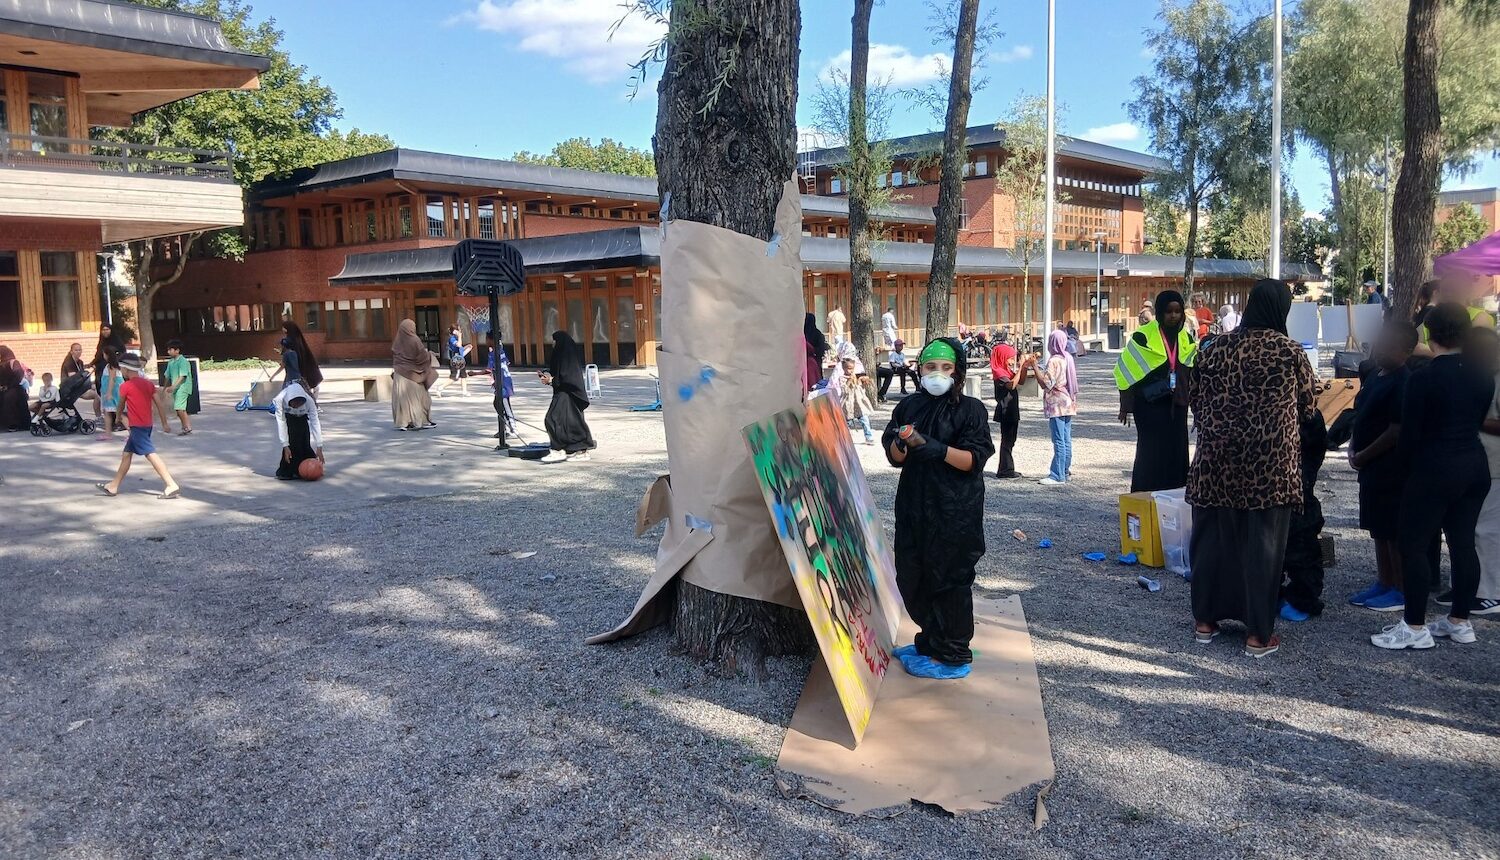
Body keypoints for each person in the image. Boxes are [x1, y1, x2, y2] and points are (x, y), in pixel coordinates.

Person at [1187, 279, 1315, 659]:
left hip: (1215, 462)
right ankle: (1258, 635)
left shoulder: (1213, 349)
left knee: (1211, 542)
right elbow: (1308, 408)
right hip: (1269, 467)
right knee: (1263, 547)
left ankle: (1205, 622)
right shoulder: (1288, 352)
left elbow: (1194, 401)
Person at [1372, 303, 1495, 650]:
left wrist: (1404, 470)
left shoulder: (1424, 376)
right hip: (1473, 463)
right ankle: (1460, 620)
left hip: (1434, 465)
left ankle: (1413, 625)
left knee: (1414, 544)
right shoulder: (1482, 375)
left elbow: (1410, 434)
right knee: (1462, 543)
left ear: (1429, 333)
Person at [882, 338, 995, 680]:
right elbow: (893, 456)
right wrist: (902, 443)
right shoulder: (908, 406)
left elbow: (975, 460)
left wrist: (935, 448)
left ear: (957, 371)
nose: (937, 374)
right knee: (913, 575)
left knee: (948, 580)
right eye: (930, 367)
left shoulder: (971, 410)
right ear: (920, 370)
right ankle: (930, 641)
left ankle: (953, 654)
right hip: (916, 505)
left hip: (954, 511)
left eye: (946, 368)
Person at [1347, 322, 1419, 613]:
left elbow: (1395, 430)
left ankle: (1400, 587)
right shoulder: (1376, 375)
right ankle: (1384, 580)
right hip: (1368, 463)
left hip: (1390, 465)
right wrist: (1353, 447)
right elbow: (1360, 411)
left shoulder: (1405, 381)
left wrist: (1364, 454)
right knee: (1376, 526)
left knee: (1391, 528)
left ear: (1405, 351)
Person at [1115, 290, 1196, 492]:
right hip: (1150, 407)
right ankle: (1145, 497)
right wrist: (1126, 405)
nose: (1173, 316)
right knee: (1150, 454)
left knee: (1177, 453)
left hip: (1177, 406)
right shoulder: (1144, 335)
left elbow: (1194, 371)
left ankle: (1175, 498)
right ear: (1159, 312)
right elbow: (1125, 369)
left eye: (1177, 311)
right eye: (1168, 311)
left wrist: (1198, 406)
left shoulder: (1185, 336)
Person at [95, 354, 180, 499]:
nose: (121, 371)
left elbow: (121, 404)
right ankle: (113, 486)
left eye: (121, 368)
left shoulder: (125, 386)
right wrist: (164, 422)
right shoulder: (148, 384)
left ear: (126, 369)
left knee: (150, 453)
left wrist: (117, 416)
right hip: (147, 425)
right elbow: (158, 403)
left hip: (137, 426)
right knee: (127, 454)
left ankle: (171, 484)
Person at [1279, 408, 1328, 622]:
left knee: (1301, 539)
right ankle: (1272, 593)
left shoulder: (1308, 415)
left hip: (1298, 488)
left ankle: (1304, 596)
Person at [1468, 326, 1500, 616]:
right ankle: (1467, 586)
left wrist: (1473, 418)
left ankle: (1490, 592)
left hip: (1495, 466)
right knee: (1467, 531)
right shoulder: (1476, 376)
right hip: (1473, 464)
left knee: (1487, 532)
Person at [539, 331, 596, 463]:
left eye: (555, 340)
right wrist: (547, 375)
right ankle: (576, 449)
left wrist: (552, 381)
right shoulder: (563, 354)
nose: (553, 343)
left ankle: (559, 450)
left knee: (552, 419)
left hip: (569, 393)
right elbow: (556, 371)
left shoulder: (568, 356)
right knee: (570, 423)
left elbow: (567, 377)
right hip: (564, 393)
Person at [1034, 330, 1077, 485]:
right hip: (1068, 400)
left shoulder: (1054, 361)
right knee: (1066, 439)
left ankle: (1057, 475)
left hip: (1057, 403)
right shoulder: (1068, 358)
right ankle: (1065, 471)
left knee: (1058, 439)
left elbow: (1046, 383)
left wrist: (1034, 367)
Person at [989, 330, 1025, 479]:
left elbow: (1021, 381)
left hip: (1012, 409)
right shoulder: (999, 372)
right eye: (1009, 358)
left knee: (1011, 439)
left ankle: (1007, 467)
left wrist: (1025, 367)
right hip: (1006, 409)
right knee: (1007, 440)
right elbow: (1011, 385)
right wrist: (1020, 366)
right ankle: (1005, 470)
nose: (1011, 361)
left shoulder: (1007, 370)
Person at [390, 318, 437, 431]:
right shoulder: (414, 340)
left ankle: (404, 422)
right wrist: (430, 355)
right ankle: (421, 421)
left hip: (399, 375)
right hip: (413, 376)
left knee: (402, 400)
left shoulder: (397, 341)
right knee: (422, 398)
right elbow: (421, 357)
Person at [273, 381, 324, 480]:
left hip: (302, 418)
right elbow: (281, 422)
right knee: (293, 440)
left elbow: (315, 422)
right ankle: (288, 470)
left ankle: (310, 466)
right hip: (289, 418)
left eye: (300, 403)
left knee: (304, 441)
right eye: (294, 403)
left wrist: (319, 446)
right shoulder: (280, 399)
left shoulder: (309, 401)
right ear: (289, 400)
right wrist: (285, 445)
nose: (297, 406)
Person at [159, 339, 193, 436]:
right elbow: (167, 376)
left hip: (183, 387)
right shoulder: (171, 362)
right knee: (180, 409)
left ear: (177, 350)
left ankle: (187, 427)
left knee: (179, 408)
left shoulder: (183, 361)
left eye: (171, 349)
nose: (168, 352)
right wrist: (165, 388)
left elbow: (182, 376)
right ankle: (185, 427)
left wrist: (173, 386)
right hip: (176, 388)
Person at [490, 330, 516, 451]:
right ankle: (504, 428)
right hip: (502, 381)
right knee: (497, 404)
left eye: (487, 339)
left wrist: (474, 373)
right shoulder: (500, 349)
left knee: (505, 405)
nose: (485, 341)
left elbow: (489, 369)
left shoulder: (494, 352)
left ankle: (513, 428)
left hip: (503, 382)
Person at [61, 342, 101, 421]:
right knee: (97, 396)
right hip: (71, 389)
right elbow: (73, 379)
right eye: (76, 350)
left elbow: (81, 374)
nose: (78, 352)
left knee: (96, 390)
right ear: (71, 351)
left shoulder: (80, 362)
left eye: (80, 350)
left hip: (78, 387)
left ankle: (99, 416)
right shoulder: (69, 362)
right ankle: (98, 417)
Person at [436, 322, 470, 398]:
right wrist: (460, 336)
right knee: (454, 377)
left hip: (460, 359)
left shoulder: (457, 338)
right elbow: (458, 345)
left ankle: (464, 391)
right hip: (455, 360)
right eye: (458, 329)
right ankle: (440, 387)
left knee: (463, 375)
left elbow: (460, 348)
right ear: (455, 331)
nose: (460, 331)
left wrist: (467, 347)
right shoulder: (452, 338)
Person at [0, 345, 30, 431]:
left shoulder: (13, 362)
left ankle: (14, 424)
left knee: (9, 405)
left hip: (14, 390)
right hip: (5, 389)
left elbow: (18, 375)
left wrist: (9, 386)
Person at [89, 324, 124, 393]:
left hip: (112, 366)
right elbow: (98, 354)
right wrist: (93, 363)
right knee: (100, 387)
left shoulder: (116, 341)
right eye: (103, 330)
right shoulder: (102, 341)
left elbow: (122, 352)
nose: (105, 332)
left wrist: (113, 359)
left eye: (107, 329)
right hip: (101, 368)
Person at [99, 349, 126, 434]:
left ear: (107, 355)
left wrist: (109, 393)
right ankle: (107, 433)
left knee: (118, 413)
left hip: (113, 392)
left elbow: (112, 379)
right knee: (107, 412)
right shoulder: (109, 366)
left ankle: (131, 433)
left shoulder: (112, 366)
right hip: (108, 391)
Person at [803, 313, 830, 393]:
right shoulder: (818, 334)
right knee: (815, 380)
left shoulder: (802, 334)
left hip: (805, 362)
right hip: (815, 362)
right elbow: (821, 349)